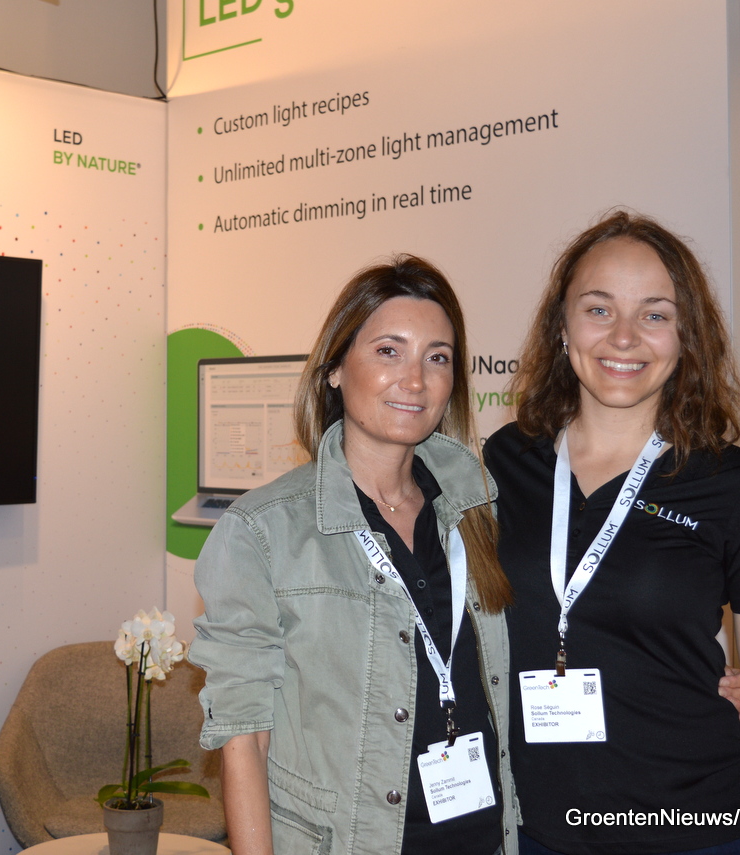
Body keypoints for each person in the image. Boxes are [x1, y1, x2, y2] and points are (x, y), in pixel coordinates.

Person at [484, 210, 740, 855]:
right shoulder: (504, 464)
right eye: (599, 309)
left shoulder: (737, 486)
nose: (624, 337)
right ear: (561, 326)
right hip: (536, 832)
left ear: (687, 336)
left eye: (655, 314)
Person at [189, 255, 519, 855]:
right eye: (389, 351)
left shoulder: (478, 511)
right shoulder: (263, 531)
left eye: (437, 358)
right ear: (336, 369)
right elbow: (246, 739)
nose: (415, 381)